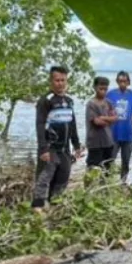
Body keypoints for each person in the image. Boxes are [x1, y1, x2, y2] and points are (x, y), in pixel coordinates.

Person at [32, 65, 84, 210]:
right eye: (57, 80)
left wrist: (77, 145)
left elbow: (72, 124)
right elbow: (40, 125)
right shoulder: (46, 100)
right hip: (50, 148)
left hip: (65, 149)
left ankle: (55, 205)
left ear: (67, 82)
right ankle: (38, 208)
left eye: (63, 80)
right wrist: (43, 149)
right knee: (44, 178)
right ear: (51, 81)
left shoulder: (68, 101)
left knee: (63, 177)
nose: (60, 83)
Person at [86, 76, 118, 170]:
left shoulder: (109, 103)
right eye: (101, 89)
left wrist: (103, 117)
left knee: (108, 169)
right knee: (94, 170)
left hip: (108, 141)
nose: (103, 91)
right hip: (94, 143)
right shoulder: (91, 104)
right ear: (95, 88)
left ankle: (105, 184)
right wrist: (109, 120)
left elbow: (115, 118)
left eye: (105, 89)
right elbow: (97, 122)